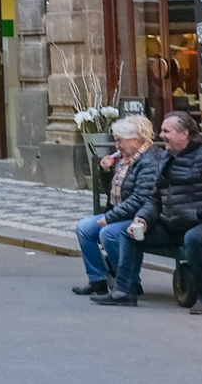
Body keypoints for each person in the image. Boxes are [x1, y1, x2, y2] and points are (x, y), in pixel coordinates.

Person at [99, 111, 202, 313]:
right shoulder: (166, 158)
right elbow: (154, 197)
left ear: (184, 134)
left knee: (195, 238)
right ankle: (124, 291)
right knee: (129, 232)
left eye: (166, 131)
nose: (161, 135)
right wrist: (142, 218)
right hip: (173, 224)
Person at [73, 114, 161, 298]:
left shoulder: (149, 161)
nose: (116, 146)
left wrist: (109, 218)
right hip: (120, 212)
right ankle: (98, 280)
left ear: (135, 141)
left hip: (141, 215)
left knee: (108, 233)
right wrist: (105, 171)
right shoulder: (124, 159)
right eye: (115, 140)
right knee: (84, 228)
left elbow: (140, 198)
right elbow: (113, 192)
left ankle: (128, 282)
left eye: (120, 141)